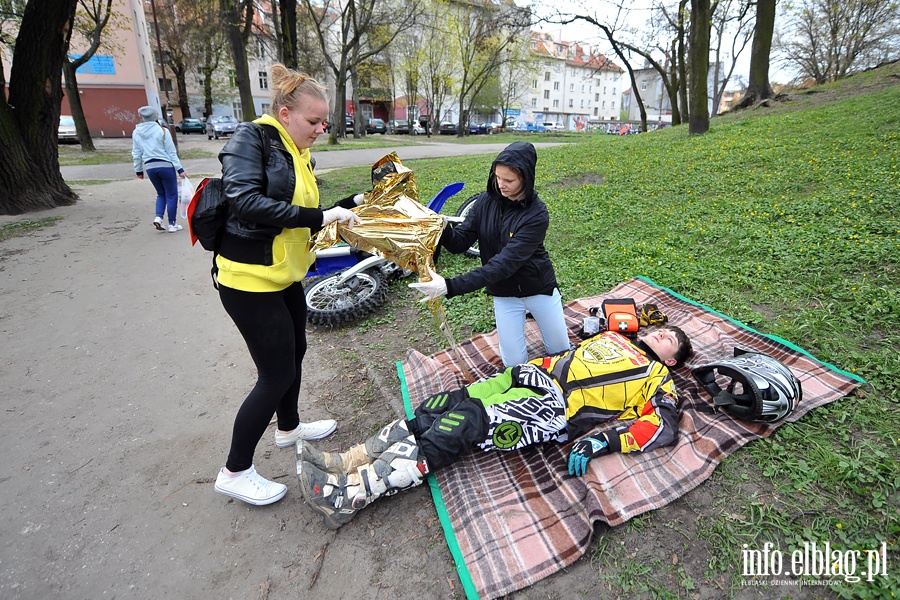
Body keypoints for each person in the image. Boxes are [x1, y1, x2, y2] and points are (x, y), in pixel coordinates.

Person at [297, 324, 693, 529]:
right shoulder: (612, 336)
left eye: (671, 340)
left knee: (463, 423)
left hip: (550, 409)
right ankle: (348, 461)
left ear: (672, 360)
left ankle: (352, 494)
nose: (663, 334)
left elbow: (660, 427)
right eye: (663, 330)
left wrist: (600, 443)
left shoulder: (660, 380)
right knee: (440, 406)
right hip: (527, 377)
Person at [212, 64, 362, 506]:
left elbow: (298, 215)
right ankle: (235, 470)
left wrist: (345, 206)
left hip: (286, 274)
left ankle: (289, 427)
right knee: (274, 372)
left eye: (324, 121)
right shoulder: (250, 139)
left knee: (297, 350)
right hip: (248, 279)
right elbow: (246, 201)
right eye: (313, 121)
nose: (321, 129)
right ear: (284, 113)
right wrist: (320, 217)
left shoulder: (299, 151)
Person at [409, 141, 570, 368]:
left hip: (538, 288)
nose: (500, 185)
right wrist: (442, 227)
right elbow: (459, 243)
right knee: (514, 363)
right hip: (503, 293)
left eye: (508, 180)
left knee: (561, 353)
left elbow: (503, 264)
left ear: (525, 177)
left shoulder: (537, 214)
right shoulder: (486, 201)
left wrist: (450, 286)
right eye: (497, 177)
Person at [132, 106, 188, 232]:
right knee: (172, 194)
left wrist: (139, 170)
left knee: (160, 193)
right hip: (166, 166)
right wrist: (180, 170)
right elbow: (171, 153)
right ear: (155, 117)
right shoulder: (162, 131)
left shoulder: (137, 132)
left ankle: (158, 217)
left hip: (150, 167)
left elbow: (136, 153)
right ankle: (172, 224)